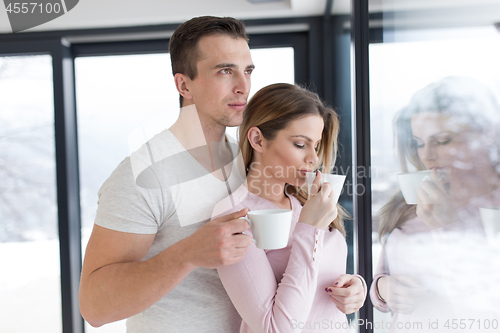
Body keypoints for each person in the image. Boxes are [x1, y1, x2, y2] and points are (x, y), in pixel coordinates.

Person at [79, 16, 257, 332]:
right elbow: (94, 306)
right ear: (184, 84)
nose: (243, 86)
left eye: (247, 71)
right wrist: (186, 255)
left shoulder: (249, 160)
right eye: (225, 71)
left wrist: (340, 287)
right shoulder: (144, 174)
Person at [211, 83, 367, 332]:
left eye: (315, 146)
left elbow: (321, 275)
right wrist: (309, 227)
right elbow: (276, 328)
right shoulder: (234, 215)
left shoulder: (307, 202)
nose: (313, 158)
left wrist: (356, 287)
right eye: (300, 144)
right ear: (258, 139)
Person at [370, 76, 500, 332]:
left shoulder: (491, 207)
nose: (427, 154)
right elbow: (383, 275)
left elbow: (488, 312)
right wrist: (384, 290)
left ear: (486, 133)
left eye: (442, 141)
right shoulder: (415, 196)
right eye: (419, 143)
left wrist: (447, 228)